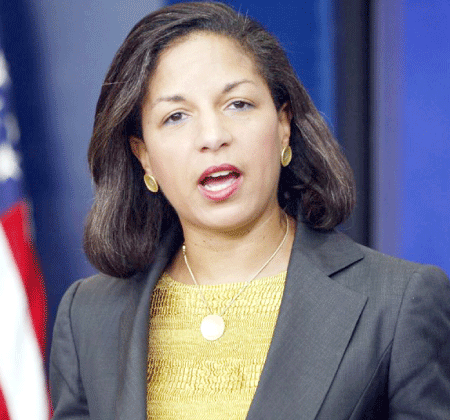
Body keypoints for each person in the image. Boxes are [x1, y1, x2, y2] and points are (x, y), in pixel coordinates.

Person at [49, 2, 450, 419]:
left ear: (283, 125)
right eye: (176, 116)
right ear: (144, 156)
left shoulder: (398, 303)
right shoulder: (88, 316)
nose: (212, 136)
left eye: (238, 104)